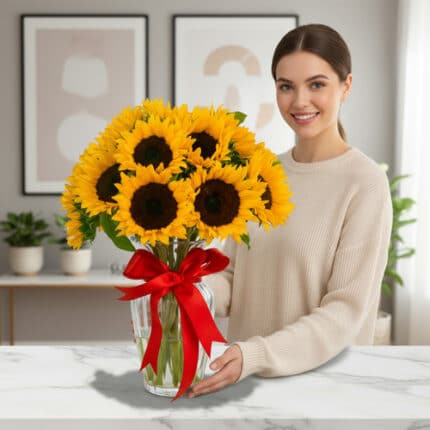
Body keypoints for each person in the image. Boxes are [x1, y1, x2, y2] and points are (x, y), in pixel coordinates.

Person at [187, 23, 393, 399]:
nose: (299, 101)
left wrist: (257, 354)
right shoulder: (260, 175)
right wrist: (190, 295)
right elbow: (230, 274)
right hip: (245, 387)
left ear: (346, 86)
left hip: (324, 391)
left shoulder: (364, 183)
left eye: (317, 84)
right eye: (286, 86)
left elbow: (346, 312)